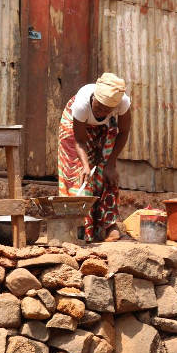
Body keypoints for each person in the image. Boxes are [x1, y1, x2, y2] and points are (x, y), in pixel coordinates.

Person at [58, 73, 132, 242]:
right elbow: (79, 141)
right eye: (98, 107)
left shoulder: (123, 103)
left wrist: (111, 163)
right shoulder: (82, 105)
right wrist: (85, 165)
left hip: (105, 128)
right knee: (79, 174)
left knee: (107, 174)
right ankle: (80, 227)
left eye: (107, 110)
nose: (101, 112)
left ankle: (108, 225)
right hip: (76, 130)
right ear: (94, 98)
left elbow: (124, 132)